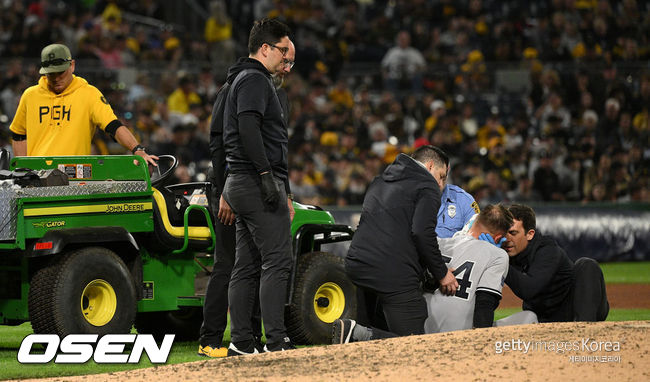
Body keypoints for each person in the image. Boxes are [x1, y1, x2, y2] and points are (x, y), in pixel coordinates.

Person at [198, 38, 296, 358]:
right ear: (267, 49)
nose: (287, 67)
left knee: (246, 264)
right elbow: (225, 140)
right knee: (263, 262)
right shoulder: (249, 82)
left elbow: (273, 145)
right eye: (285, 57)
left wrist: (287, 191)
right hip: (245, 183)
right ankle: (269, 340)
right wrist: (227, 188)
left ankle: (242, 340)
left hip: (244, 182)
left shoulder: (257, 85)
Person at [334, 205, 535, 343]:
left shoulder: (439, 243)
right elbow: (485, 304)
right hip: (457, 336)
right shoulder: (497, 254)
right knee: (529, 317)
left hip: (416, 323)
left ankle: (364, 332)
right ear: (498, 237)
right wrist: (479, 345)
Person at [343, 146, 458, 341]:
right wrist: (442, 272)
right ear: (430, 166)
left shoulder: (380, 181)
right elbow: (422, 233)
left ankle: (357, 334)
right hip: (391, 271)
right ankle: (355, 334)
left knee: (377, 328)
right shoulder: (426, 185)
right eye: (442, 176)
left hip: (358, 264)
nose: (441, 185)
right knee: (412, 342)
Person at [9, 43, 157, 166]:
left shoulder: (88, 94)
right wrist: (23, 168)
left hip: (74, 175)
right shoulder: (30, 95)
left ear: (72, 66)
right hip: (38, 176)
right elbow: (18, 135)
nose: (56, 78)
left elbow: (113, 126)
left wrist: (137, 149)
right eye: (51, 73)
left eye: (60, 72)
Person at [503, 204, 609, 322]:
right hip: (547, 319)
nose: (506, 239)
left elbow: (529, 289)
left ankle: (585, 330)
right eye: (504, 233)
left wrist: (500, 261)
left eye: (513, 233)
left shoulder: (547, 250)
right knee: (527, 317)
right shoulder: (505, 254)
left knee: (587, 266)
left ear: (530, 234)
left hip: (575, 309)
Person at [432, 146, 480, 238]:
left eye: (444, 177)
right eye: (438, 177)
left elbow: (476, 237)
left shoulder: (464, 200)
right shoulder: (406, 198)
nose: (440, 184)